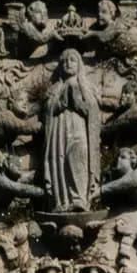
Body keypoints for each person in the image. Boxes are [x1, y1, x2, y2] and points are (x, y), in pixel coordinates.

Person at [42, 49, 102, 212]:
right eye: (64, 61)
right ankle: (61, 201)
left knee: (78, 156)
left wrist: (78, 103)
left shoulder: (86, 86)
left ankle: (79, 198)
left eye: (73, 60)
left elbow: (93, 111)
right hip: (59, 130)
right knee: (60, 160)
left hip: (80, 128)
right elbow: (48, 109)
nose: (68, 63)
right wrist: (60, 104)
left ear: (79, 65)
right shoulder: (55, 88)